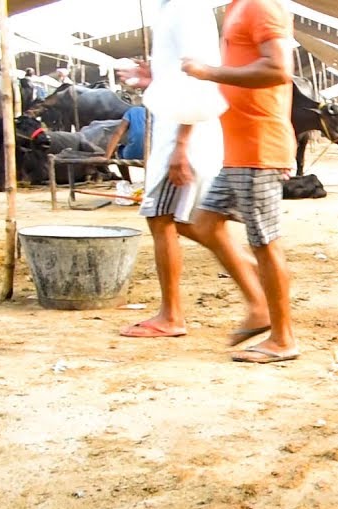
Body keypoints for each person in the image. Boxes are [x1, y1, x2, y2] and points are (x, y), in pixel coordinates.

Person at [181, 0, 298, 363]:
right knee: (203, 224)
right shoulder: (237, 7)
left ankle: (283, 338)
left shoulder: (260, 5)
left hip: (258, 148)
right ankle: (260, 305)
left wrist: (208, 72)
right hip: (239, 149)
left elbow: (279, 69)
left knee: (265, 243)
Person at [117, 0, 231, 341]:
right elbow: (181, 75)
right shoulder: (171, 8)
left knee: (162, 218)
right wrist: (154, 78)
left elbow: (199, 77)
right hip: (177, 130)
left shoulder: (185, 8)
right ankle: (253, 281)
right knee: (186, 222)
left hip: (182, 132)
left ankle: (172, 314)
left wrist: (182, 144)